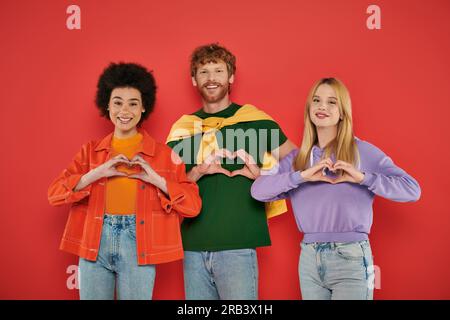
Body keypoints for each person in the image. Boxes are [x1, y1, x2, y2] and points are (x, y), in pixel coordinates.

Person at [251, 77, 421, 300]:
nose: (322, 106)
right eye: (317, 100)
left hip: (353, 257)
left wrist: (361, 177)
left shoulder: (361, 151)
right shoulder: (299, 159)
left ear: (342, 112)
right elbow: (258, 190)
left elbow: (412, 189)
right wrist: (302, 176)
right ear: (309, 109)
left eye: (332, 102)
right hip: (310, 258)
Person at [48, 62, 202, 300]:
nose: (124, 110)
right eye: (118, 102)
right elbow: (54, 193)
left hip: (138, 246)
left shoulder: (164, 155)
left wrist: (157, 180)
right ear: (107, 105)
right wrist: (96, 173)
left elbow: (192, 206)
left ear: (143, 109)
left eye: (133, 103)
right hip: (93, 243)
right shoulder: (90, 152)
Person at [166, 43, 296, 300]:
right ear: (194, 80)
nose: (211, 78)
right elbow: (170, 186)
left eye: (218, 71)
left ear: (231, 77)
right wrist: (197, 172)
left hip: (238, 245)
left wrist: (263, 178)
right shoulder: (183, 130)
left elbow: (299, 164)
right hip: (193, 247)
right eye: (203, 72)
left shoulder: (256, 121)